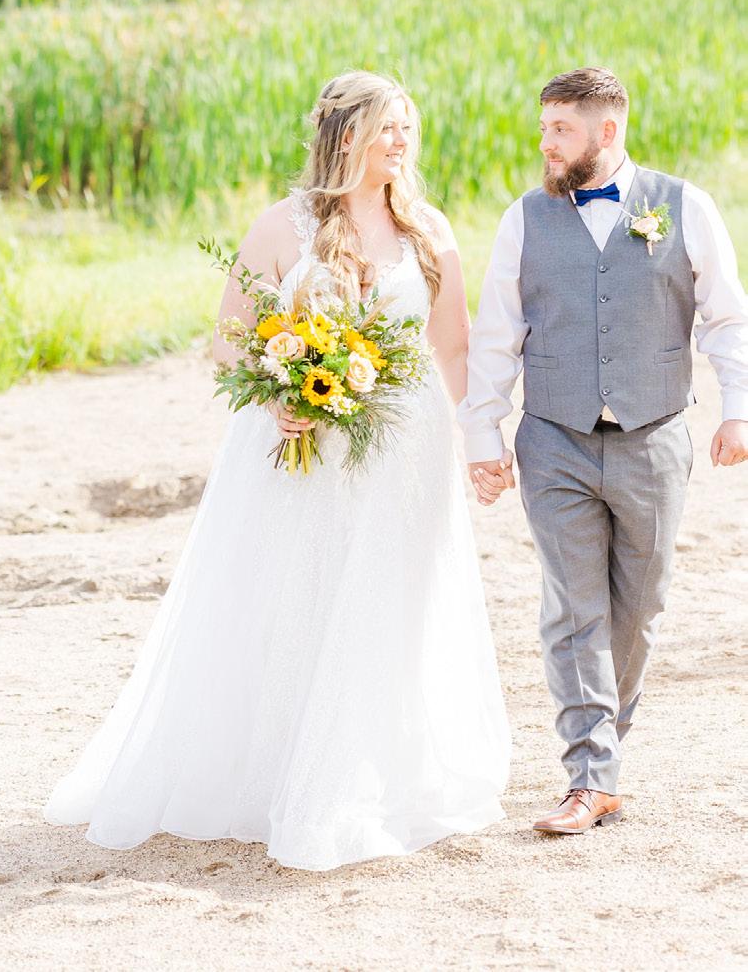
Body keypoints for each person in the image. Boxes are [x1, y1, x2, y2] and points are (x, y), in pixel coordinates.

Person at [43, 71, 511, 871]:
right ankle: (277, 774)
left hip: (405, 449)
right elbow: (229, 339)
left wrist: (483, 440)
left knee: (389, 603)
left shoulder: (427, 229)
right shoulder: (280, 226)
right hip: (306, 451)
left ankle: (370, 776)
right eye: (387, 127)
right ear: (344, 135)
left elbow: (454, 348)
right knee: (294, 599)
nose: (401, 141)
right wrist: (277, 399)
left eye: (407, 127)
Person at [461, 66, 748, 835]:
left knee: (638, 608)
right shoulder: (523, 219)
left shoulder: (685, 206)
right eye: (544, 128)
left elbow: (726, 318)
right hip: (552, 438)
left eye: (560, 129)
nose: (546, 144)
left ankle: (602, 757)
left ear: (606, 131)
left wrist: (738, 412)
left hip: (654, 438)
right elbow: (496, 334)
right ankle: (589, 775)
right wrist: (482, 434)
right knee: (574, 608)